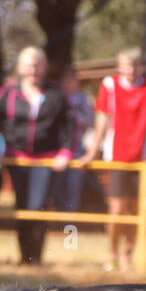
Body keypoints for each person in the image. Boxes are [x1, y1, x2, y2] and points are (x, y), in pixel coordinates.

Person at [0, 46, 73, 265]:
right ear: (21, 67)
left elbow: (69, 126)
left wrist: (65, 152)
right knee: (22, 207)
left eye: (37, 64)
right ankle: (25, 257)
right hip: (17, 158)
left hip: (46, 159)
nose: (33, 69)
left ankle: (36, 258)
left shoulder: (56, 93)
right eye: (28, 65)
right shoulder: (8, 92)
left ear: (44, 67)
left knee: (38, 205)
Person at [82, 47, 146, 271]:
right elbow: (102, 119)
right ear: (120, 66)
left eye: (135, 65)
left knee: (136, 211)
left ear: (141, 67)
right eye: (126, 65)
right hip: (116, 155)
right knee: (116, 209)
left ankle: (129, 255)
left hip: (140, 157)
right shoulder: (110, 85)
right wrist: (92, 152)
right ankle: (111, 254)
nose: (131, 70)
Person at [58, 65, 94, 216]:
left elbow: (90, 120)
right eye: (66, 81)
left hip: (77, 147)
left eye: (72, 80)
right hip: (59, 147)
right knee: (57, 184)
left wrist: (74, 119)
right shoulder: (58, 97)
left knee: (74, 184)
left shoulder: (84, 99)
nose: (69, 84)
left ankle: (69, 220)